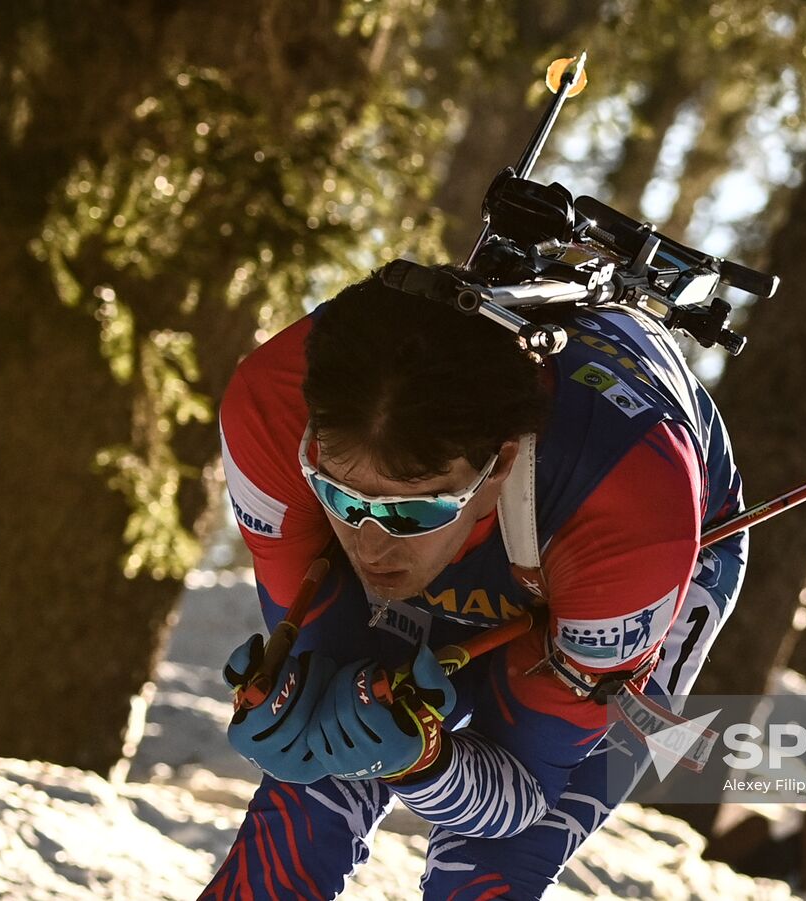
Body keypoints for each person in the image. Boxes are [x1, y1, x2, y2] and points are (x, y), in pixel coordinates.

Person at [200, 269, 748, 899]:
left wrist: (423, 762)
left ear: (500, 464)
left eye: (412, 510)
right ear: (310, 444)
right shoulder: (268, 406)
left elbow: (524, 797)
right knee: (320, 772)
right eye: (341, 497)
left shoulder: (630, 515)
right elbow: (328, 683)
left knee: (490, 871)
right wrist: (295, 702)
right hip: (528, 532)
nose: (372, 546)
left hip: (624, 549)